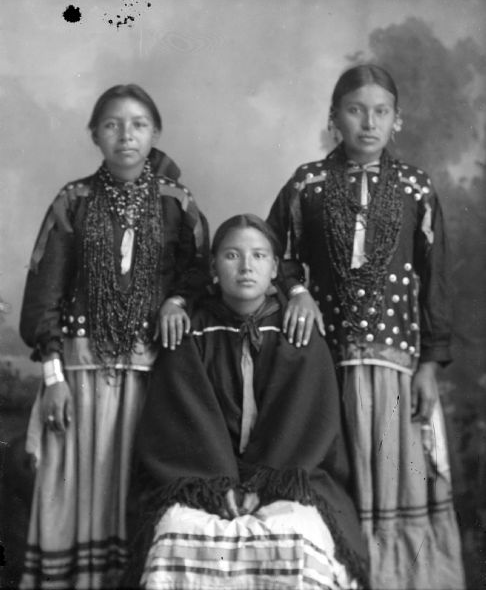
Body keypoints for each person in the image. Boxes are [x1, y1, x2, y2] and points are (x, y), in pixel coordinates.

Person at [266, 64, 465, 589]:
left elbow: (434, 279)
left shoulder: (415, 188)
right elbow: (273, 256)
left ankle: (405, 579)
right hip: (324, 367)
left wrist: (427, 365)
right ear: (335, 119)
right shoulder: (306, 184)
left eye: (381, 112)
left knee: (401, 476)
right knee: (336, 474)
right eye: (356, 111)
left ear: (397, 121)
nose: (368, 123)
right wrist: (298, 291)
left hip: (395, 369)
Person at [18, 84, 210, 589]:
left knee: (132, 485)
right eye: (112, 125)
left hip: (150, 379)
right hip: (78, 376)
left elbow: (200, 272)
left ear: (156, 133)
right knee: (75, 485)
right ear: (95, 135)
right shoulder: (74, 201)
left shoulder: (176, 202)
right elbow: (43, 293)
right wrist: (54, 377)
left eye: (139, 124)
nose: (126, 135)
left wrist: (175, 301)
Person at [131, 214, 368, 589]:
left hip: (288, 476)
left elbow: (306, 427)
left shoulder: (299, 328)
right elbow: (182, 417)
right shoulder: (190, 330)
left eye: (259, 256)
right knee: (177, 531)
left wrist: (267, 485)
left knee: (296, 533)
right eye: (231, 256)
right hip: (203, 475)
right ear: (212, 266)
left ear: (275, 268)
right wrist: (217, 484)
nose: (246, 267)